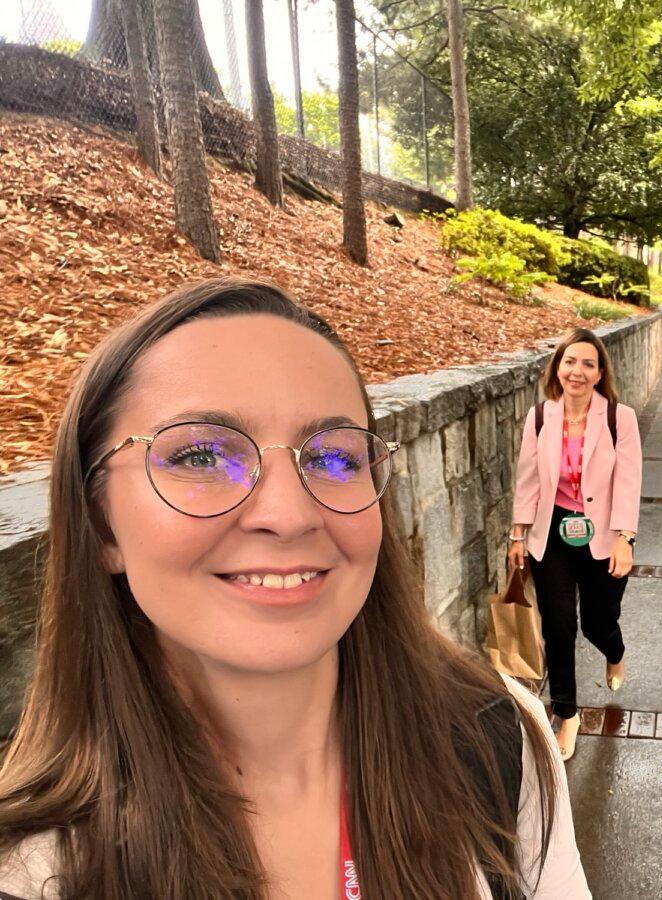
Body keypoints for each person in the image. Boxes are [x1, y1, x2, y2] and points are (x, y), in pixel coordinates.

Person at [0, 278, 589, 899]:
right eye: (201, 456)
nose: (288, 513)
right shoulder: (36, 873)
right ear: (99, 523)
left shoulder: (495, 734)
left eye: (334, 458)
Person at [508, 329, 642, 762]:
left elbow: (628, 481)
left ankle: (615, 651)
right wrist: (517, 534)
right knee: (559, 626)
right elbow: (528, 479)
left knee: (598, 623)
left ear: (600, 372)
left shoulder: (620, 419)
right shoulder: (541, 418)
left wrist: (625, 537)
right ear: (557, 368)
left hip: (603, 533)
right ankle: (566, 712)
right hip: (553, 533)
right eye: (570, 362)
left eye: (587, 363)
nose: (577, 371)